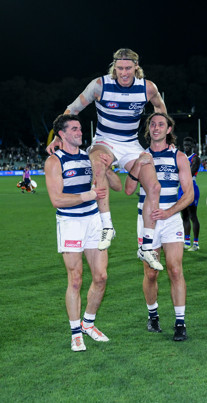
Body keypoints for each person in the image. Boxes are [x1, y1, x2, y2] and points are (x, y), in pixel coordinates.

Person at [46, 48, 166, 271]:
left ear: (136, 67)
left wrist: (161, 136)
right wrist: (57, 137)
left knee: (154, 185)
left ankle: (146, 246)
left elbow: (160, 109)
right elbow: (72, 109)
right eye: (119, 68)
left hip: (131, 143)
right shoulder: (99, 85)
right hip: (105, 140)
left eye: (128, 68)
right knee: (97, 163)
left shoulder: (147, 88)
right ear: (114, 67)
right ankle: (107, 226)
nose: (123, 73)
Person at [124, 112, 193, 342]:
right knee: (151, 273)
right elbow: (128, 190)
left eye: (161, 124)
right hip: (146, 222)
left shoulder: (179, 157)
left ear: (168, 129)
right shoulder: (140, 156)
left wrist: (169, 212)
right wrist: (137, 166)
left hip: (171, 219)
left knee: (175, 270)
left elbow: (189, 195)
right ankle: (153, 316)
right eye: (152, 124)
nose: (156, 127)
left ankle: (180, 323)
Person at [45, 114, 111, 352]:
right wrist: (87, 196)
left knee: (101, 277)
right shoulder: (54, 162)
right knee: (75, 279)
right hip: (71, 223)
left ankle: (88, 324)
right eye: (74, 129)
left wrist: (107, 166)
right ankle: (75, 333)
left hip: (93, 220)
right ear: (61, 134)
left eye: (80, 128)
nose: (79, 132)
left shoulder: (87, 157)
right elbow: (56, 199)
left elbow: (112, 184)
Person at [179, 137, 200, 251]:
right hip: (182, 188)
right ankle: (187, 242)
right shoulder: (181, 158)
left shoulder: (196, 158)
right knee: (184, 216)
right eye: (185, 144)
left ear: (192, 146)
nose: (186, 146)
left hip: (191, 187)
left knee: (193, 215)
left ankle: (196, 243)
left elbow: (190, 172)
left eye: (188, 145)